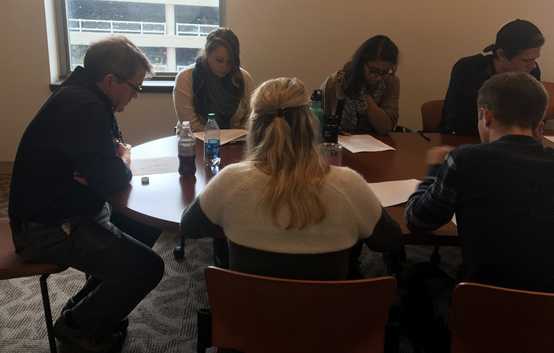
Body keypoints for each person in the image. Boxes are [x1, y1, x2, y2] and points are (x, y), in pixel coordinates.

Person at [8, 36, 165, 353]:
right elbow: (112, 176)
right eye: (135, 88)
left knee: (147, 225)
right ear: (111, 80)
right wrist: (117, 161)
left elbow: (104, 168)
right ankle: (76, 328)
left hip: (72, 211)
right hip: (48, 229)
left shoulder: (85, 97)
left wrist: (105, 165)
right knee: (149, 268)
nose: (135, 97)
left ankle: (86, 310)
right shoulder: (84, 107)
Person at [180, 77, 403, 280]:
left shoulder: (230, 182)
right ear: (310, 125)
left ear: (254, 127)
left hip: (249, 319)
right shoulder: (348, 185)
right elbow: (389, 239)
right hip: (331, 321)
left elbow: (189, 227)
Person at [441, 19, 545, 135]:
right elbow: (454, 120)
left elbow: (532, 118)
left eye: (535, 59)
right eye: (526, 60)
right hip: (467, 139)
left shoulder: (532, 72)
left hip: (511, 143)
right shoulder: (468, 69)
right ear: (501, 54)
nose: (533, 66)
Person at [173, 28, 254, 132]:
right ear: (207, 54)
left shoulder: (244, 78)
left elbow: (251, 118)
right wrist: (219, 138)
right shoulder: (185, 78)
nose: (224, 67)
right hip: (195, 142)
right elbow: (191, 125)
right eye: (219, 60)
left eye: (230, 62)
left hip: (235, 143)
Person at [322, 35, 400, 135]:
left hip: (376, 144)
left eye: (384, 72)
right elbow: (321, 124)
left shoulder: (390, 81)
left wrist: (365, 97)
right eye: (373, 71)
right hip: (339, 142)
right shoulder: (336, 82)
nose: (378, 77)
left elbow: (386, 128)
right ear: (361, 63)